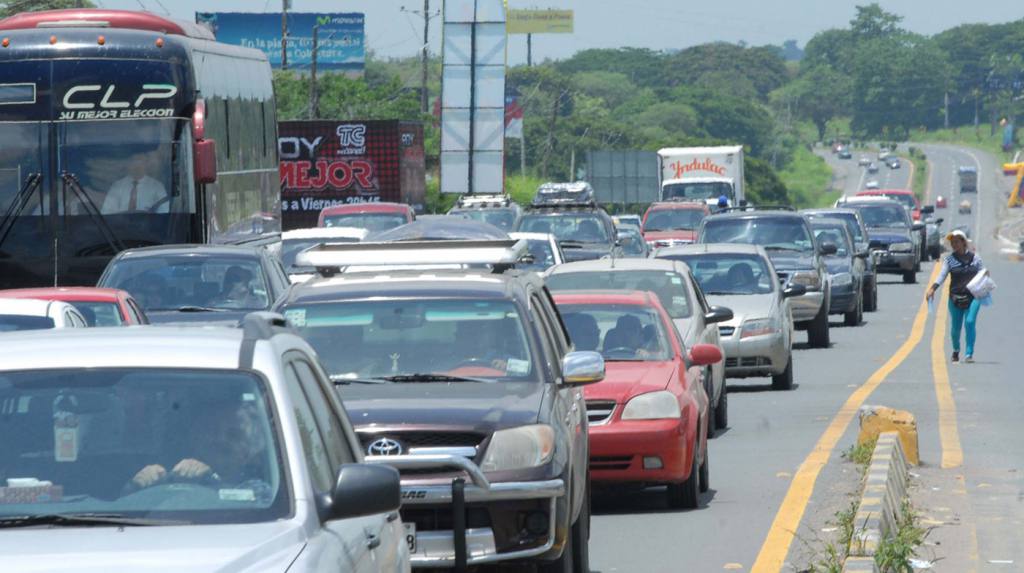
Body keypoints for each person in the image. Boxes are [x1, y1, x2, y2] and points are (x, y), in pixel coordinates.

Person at [127, 401, 272, 501]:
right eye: (211, 432)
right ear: (195, 440)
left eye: (233, 434)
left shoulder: (257, 489)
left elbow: (252, 509)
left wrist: (212, 481)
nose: (221, 439)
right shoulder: (167, 479)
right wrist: (136, 487)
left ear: (249, 449)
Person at [926, 230, 986, 363]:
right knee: (955, 328)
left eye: (957, 242)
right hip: (955, 297)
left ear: (963, 242)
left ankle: (969, 354)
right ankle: (956, 349)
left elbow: (983, 273)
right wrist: (932, 289)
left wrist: (985, 281)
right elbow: (942, 275)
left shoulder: (975, 258)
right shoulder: (949, 260)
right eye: (952, 243)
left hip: (973, 297)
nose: (954, 245)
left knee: (970, 322)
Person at [101, 151, 169, 214]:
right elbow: (107, 211)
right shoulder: (117, 186)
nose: (137, 165)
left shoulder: (157, 186)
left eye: (141, 161)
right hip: (120, 225)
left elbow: (164, 212)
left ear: (146, 164)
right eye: (134, 161)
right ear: (128, 164)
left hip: (149, 226)